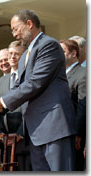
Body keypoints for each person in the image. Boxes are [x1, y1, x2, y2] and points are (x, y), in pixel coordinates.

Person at [0, 9, 76, 171]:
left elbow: (34, 83)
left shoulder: (48, 45)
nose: (14, 34)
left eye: (16, 29)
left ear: (29, 24)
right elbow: (17, 89)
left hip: (53, 128)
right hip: (35, 132)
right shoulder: (25, 56)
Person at [0, 40, 32, 171]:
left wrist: (21, 133)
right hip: (6, 143)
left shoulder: (30, 79)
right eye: (10, 54)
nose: (12, 57)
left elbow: (32, 107)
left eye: (16, 54)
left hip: (26, 140)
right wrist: (1, 133)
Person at [60, 39, 86, 171]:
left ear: (73, 53)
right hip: (61, 134)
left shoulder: (83, 74)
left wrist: (78, 134)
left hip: (76, 137)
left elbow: (84, 107)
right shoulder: (60, 76)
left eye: (62, 52)